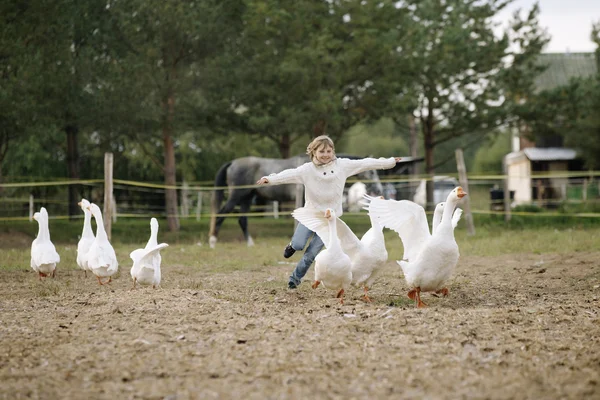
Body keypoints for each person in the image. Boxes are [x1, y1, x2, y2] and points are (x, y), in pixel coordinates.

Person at [256, 135, 401, 289]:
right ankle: (292, 244)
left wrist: (389, 162)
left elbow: (365, 163)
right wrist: (270, 179)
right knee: (299, 245)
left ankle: (295, 279)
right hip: (311, 215)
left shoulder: (342, 166)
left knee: (311, 254)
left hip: (331, 221)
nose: (326, 154)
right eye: (322, 151)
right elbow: (289, 174)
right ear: (313, 152)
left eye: (329, 151)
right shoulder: (307, 170)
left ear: (333, 151)